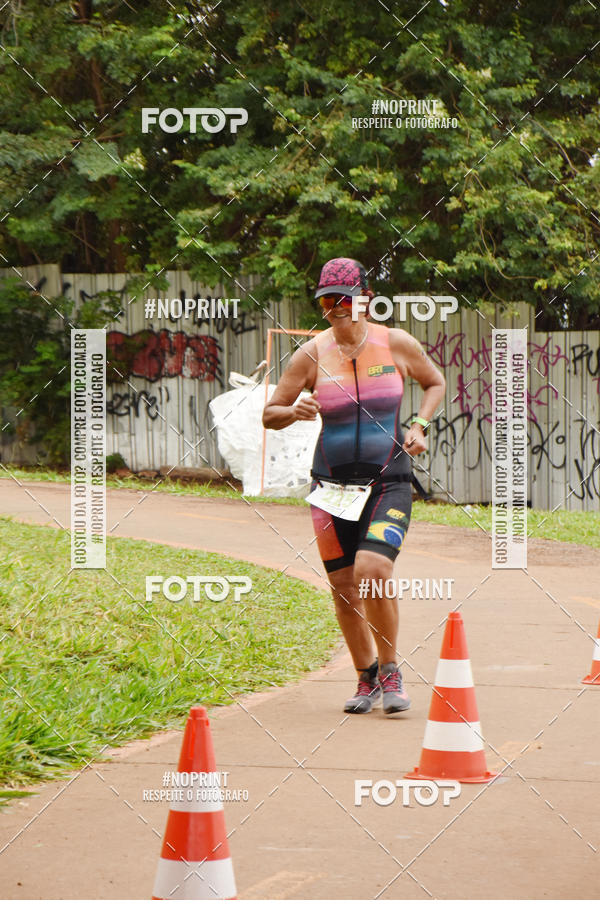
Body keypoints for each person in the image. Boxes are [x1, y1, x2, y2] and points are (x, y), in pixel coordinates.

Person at [262, 258, 446, 714]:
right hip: (330, 487)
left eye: (343, 299)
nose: (335, 309)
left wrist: (420, 425)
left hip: (389, 480)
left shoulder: (395, 343)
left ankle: (390, 670)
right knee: (343, 587)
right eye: (326, 300)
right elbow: (271, 413)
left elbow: (436, 382)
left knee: (373, 571)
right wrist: (294, 412)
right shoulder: (311, 354)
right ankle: (365, 678)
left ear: (364, 299)